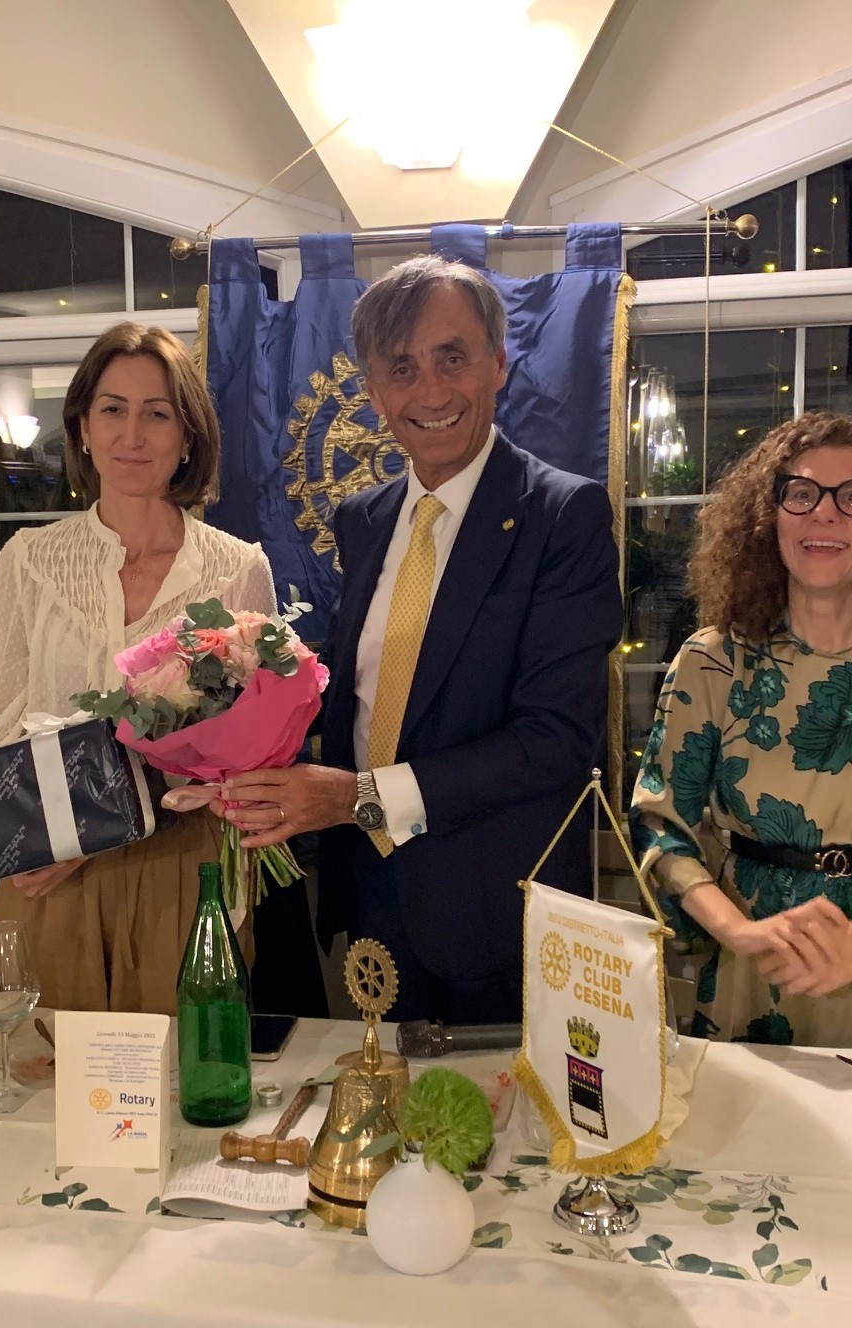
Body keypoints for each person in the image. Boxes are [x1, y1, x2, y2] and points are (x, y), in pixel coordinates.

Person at [221, 255, 622, 1024]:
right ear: (373, 391)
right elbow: (372, 687)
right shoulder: (364, 519)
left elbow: (556, 740)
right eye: (401, 368)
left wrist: (358, 799)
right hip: (371, 898)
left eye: (452, 358)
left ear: (497, 364)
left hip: (497, 914)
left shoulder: (561, 517)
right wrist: (238, 703)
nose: (431, 391)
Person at [631, 413, 852, 1050]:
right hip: (753, 969)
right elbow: (662, 830)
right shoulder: (713, 661)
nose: (823, 513)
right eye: (800, 493)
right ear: (768, 517)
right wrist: (741, 934)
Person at [0, 322, 275, 1014]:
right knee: (44, 1069)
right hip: (52, 866)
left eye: (157, 413)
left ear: (188, 436)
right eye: (113, 409)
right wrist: (24, 839)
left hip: (185, 867)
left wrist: (115, 818)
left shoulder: (239, 567)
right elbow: (7, 718)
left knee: (180, 1067)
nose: (132, 435)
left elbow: (246, 749)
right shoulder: (29, 559)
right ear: (82, 427)